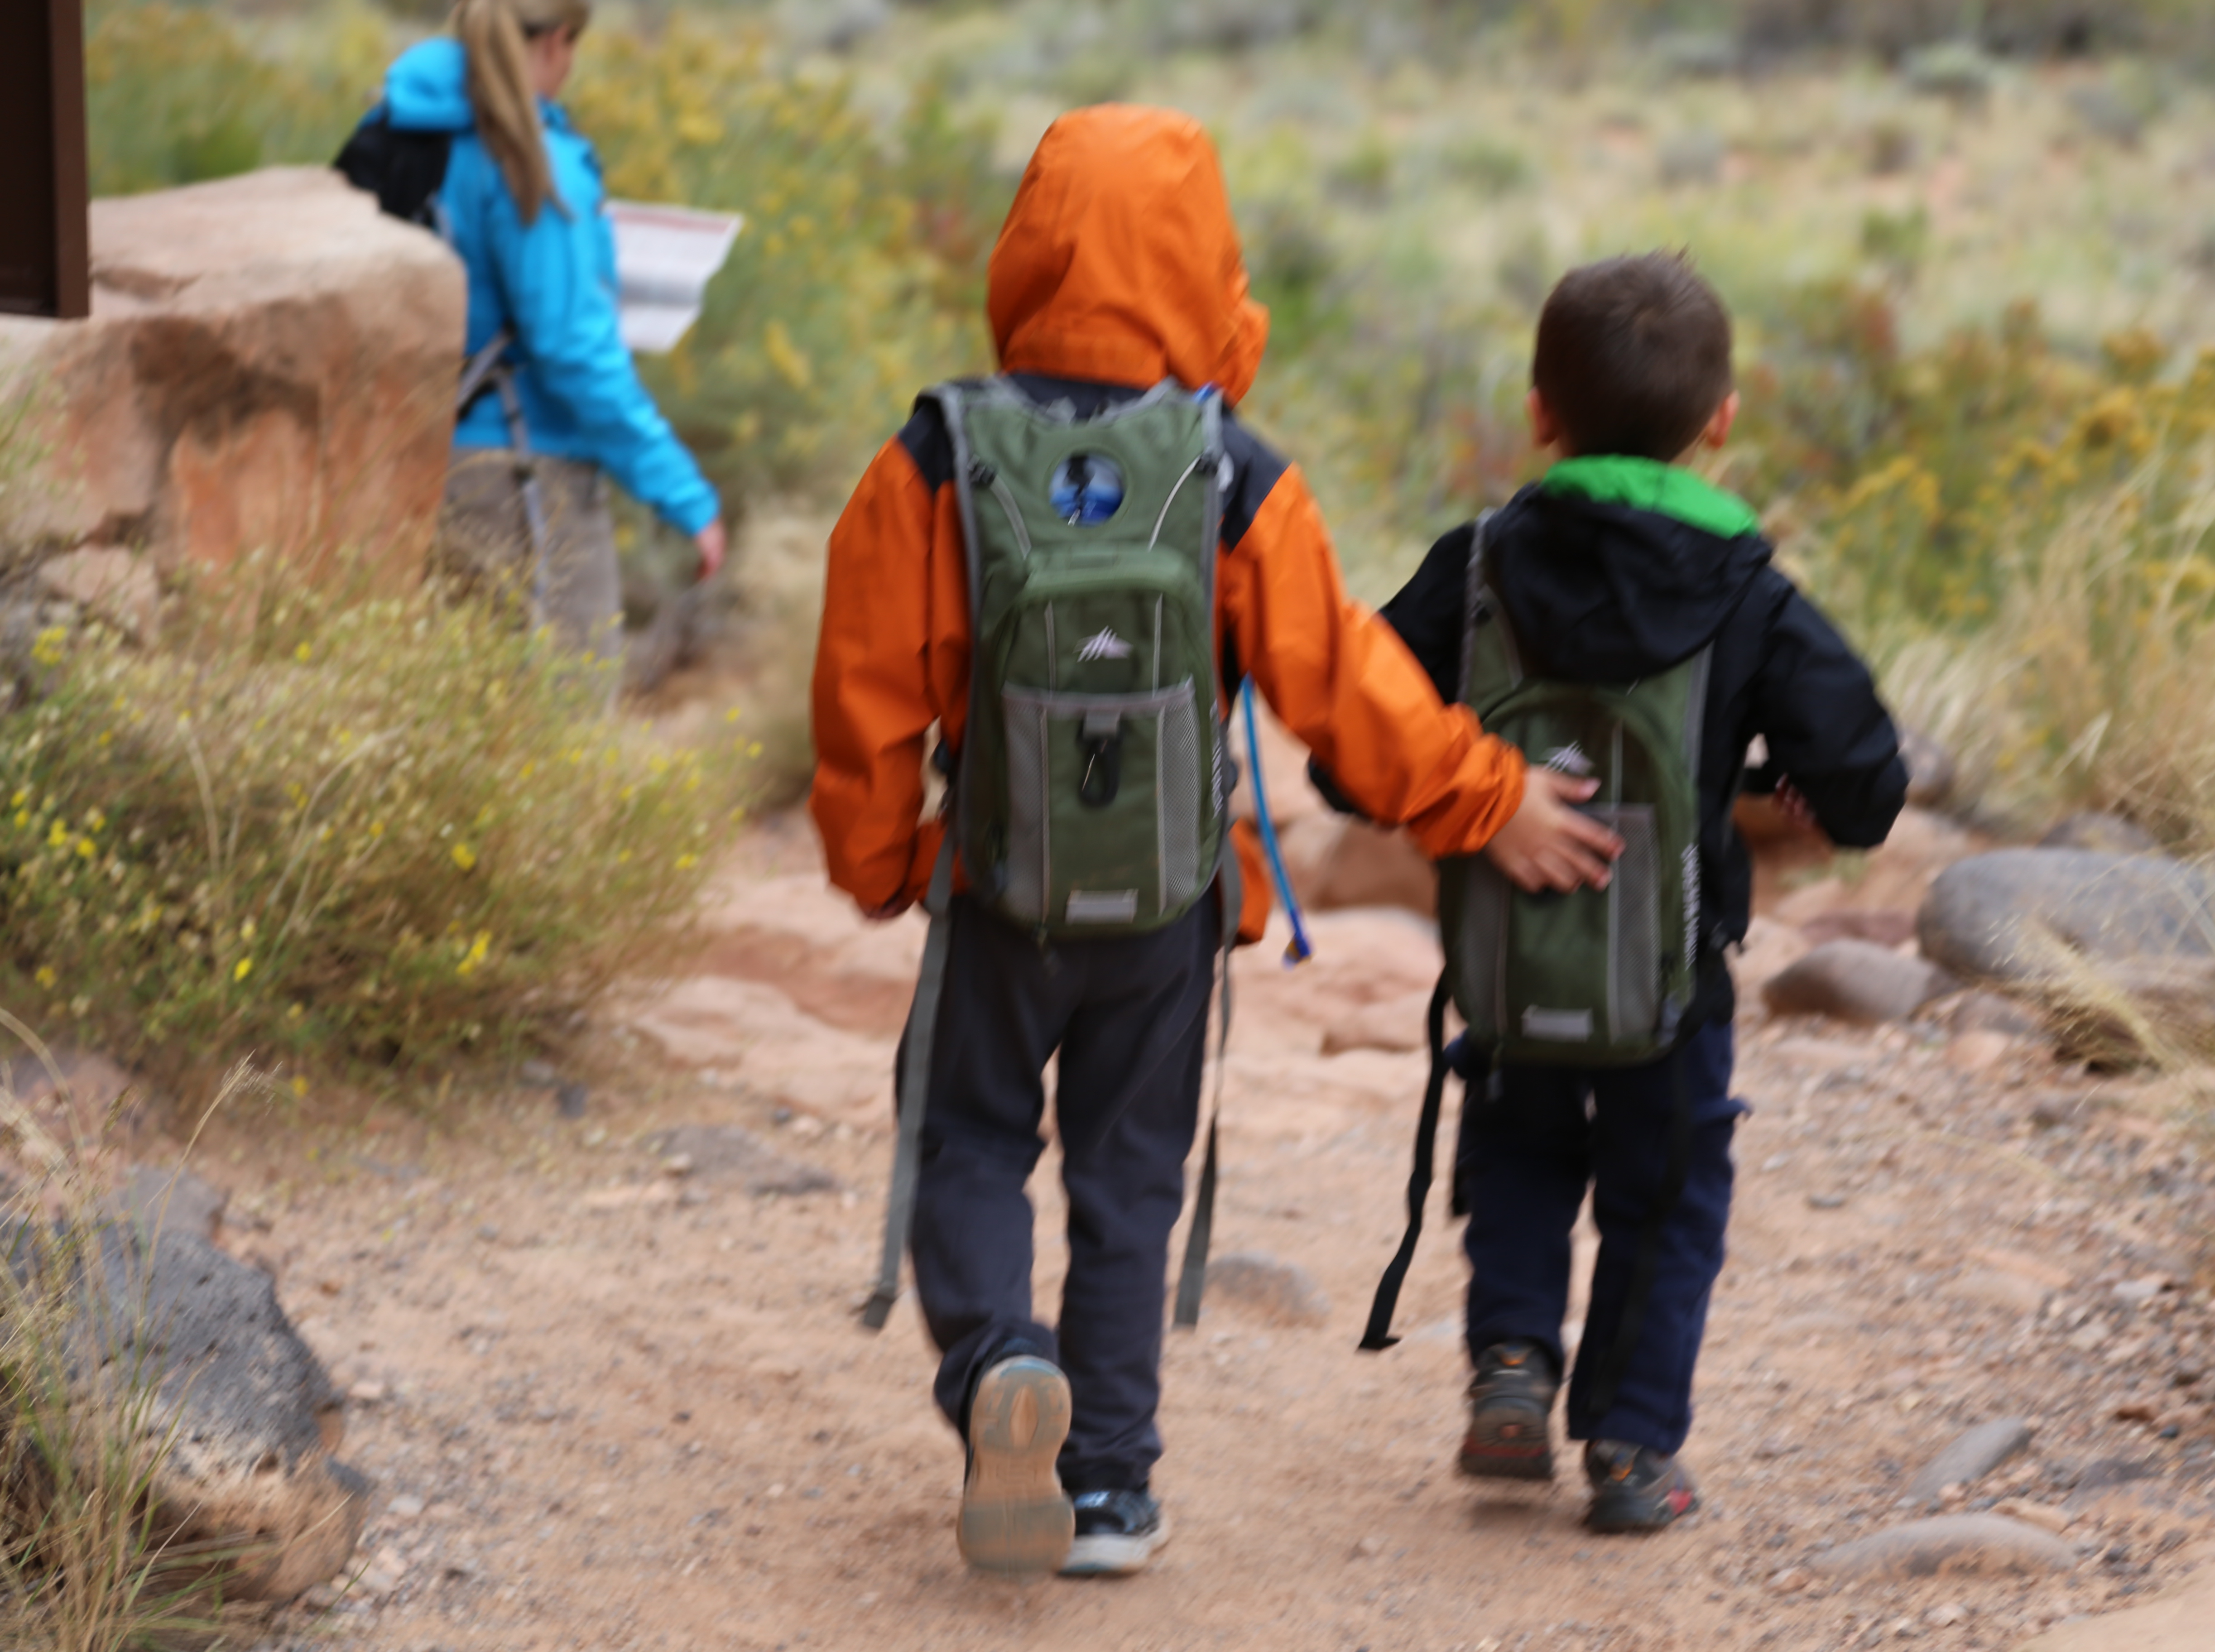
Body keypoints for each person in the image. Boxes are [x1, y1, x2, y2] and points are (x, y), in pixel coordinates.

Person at [808, 105, 1621, 1579]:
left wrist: (881, 861)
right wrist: (1490, 797)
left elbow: (865, 691)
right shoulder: (1232, 469)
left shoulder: (931, 457)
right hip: (1169, 908)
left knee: (968, 1138)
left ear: (1028, 249)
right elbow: (1350, 691)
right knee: (1130, 1177)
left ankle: (1000, 1361)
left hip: (996, 890)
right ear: (1204, 262)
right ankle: (1111, 1486)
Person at [1357, 252, 1908, 1532]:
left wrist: (1474, 789)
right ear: (1720, 422)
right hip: (1670, 975)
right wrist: (1787, 785)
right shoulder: (1753, 598)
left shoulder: (1479, 564)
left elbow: (1353, 733)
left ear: (1541, 410)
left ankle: (1510, 1365)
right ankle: (1631, 1447)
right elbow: (1870, 790)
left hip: (1506, 969)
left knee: (1520, 1148)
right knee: (1667, 1194)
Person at [372, 0, 725, 681]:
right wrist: (685, 496)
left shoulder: (400, 125)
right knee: (564, 722)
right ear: (559, 42)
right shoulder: (532, 161)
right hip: (522, 478)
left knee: (452, 717)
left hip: (407, 457)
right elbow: (573, 351)